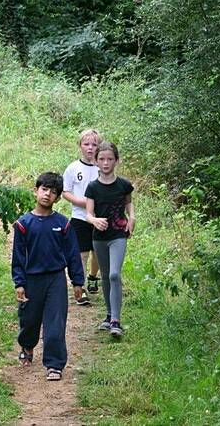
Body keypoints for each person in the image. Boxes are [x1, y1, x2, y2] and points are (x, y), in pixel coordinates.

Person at [12, 172, 85, 381]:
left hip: (56, 279)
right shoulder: (23, 224)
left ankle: (54, 364)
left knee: (55, 322)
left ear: (58, 198)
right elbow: (18, 257)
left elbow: (72, 254)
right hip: (31, 278)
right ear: (35, 191)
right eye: (44, 190)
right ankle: (27, 346)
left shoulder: (63, 224)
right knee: (30, 320)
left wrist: (77, 281)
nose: (47, 195)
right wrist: (19, 283)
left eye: (53, 192)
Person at [85, 142, 135, 338]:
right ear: (96, 162)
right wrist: (95, 220)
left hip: (118, 235)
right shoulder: (92, 187)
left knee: (115, 274)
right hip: (99, 237)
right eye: (102, 159)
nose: (106, 163)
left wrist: (132, 217)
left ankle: (116, 320)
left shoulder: (124, 185)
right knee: (105, 275)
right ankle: (108, 315)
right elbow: (88, 214)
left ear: (117, 160)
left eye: (110, 159)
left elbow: (129, 204)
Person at [62, 129, 102, 305]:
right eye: (86, 144)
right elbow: (65, 192)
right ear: (80, 146)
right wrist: (81, 202)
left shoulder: (102, 167)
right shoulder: (73, 168)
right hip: (80, 217)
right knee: (81, 254)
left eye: (94, 144)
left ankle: (93, 277)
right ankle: (81, 286)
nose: (90, 148)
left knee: (98, 252)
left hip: (101, 218)